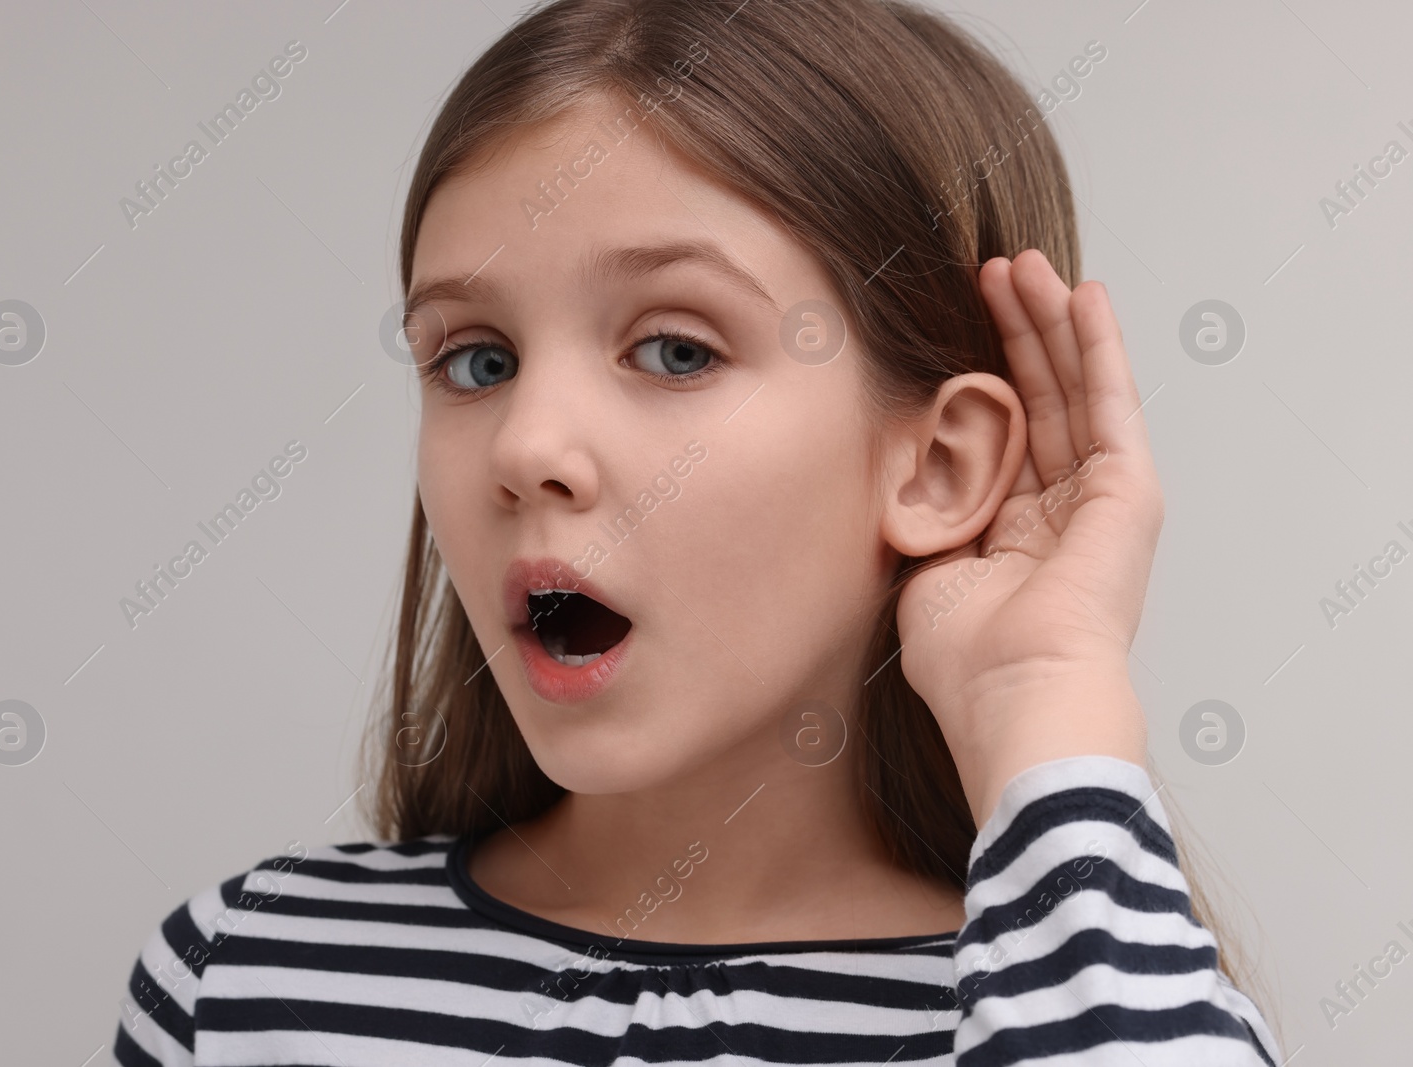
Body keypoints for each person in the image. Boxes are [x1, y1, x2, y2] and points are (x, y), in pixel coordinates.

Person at [111, 0, 1286, 1062]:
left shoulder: (1104, 997)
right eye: (476, 360)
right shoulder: (245, 979)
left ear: (935, 464)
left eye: (675, 349)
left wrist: (1041, 693)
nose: (526, 448)